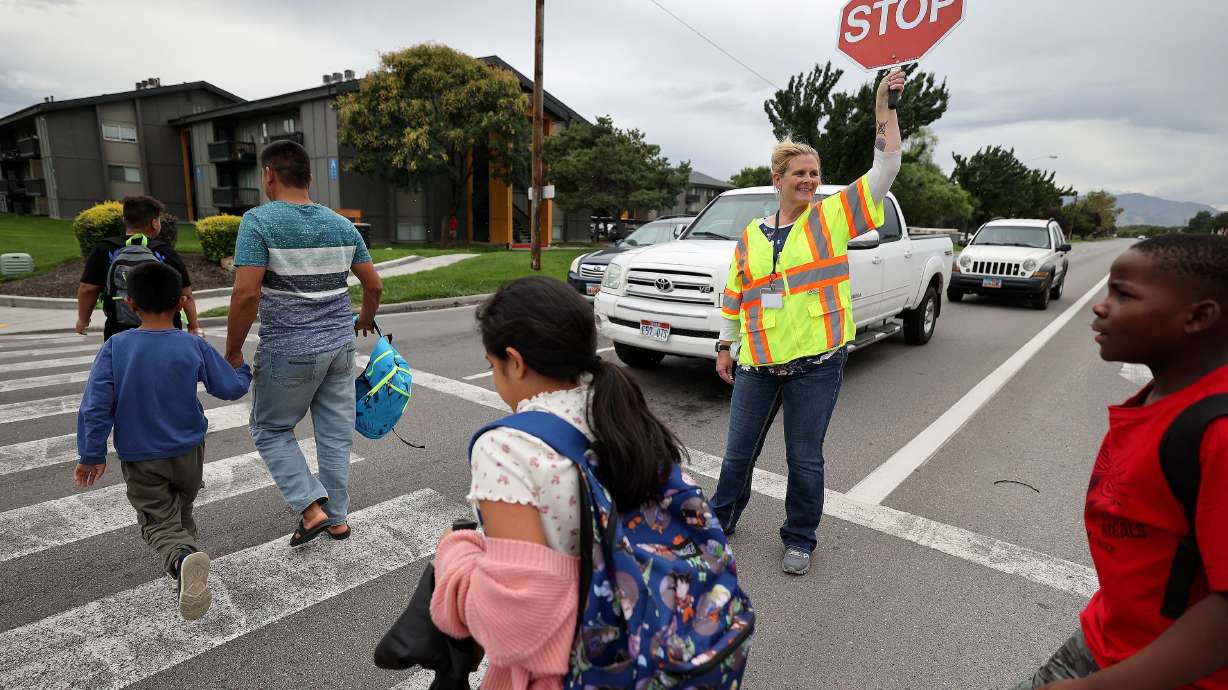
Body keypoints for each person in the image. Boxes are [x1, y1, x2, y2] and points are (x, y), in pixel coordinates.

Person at [429, 276, 687, 689]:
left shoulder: (508, 447)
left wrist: (454, 554)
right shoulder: (619, 414)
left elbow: (515, 628)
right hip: (645, 643)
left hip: (570, 669)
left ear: (515, 361)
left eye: (492, 367)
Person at [710, 69, 905, 576]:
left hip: (816, 363)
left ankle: (799, 537)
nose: (810, 181)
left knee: (805, 460)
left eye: (815, 174)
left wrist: (884, 109)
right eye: (800, 174)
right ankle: (719, 523)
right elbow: (735, 295)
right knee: (736, 458)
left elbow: (886, 167)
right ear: (778, 180)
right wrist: (724, 346)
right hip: (756, 363)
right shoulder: (751, 235)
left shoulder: (833, 216)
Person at [1013, 234, 1228, 689]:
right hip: (1106, 637)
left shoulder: (1218, 432)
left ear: (1198, 317)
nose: (1100, 306)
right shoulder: (1162, 392)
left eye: (1123, 294)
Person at [225, 140, 383, 547]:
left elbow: (246, 295)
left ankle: (312, 509)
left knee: (270, 429)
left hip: (288, 351)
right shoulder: (342, 225)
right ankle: (338, 518)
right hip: (339, 349)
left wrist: (233, 350)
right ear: (310, 178)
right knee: (334, 435)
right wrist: (364, 320)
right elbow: (373, 284)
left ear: (269, 175)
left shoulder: (258, 222)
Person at [73, 261, 251, 620]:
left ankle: (182, 559)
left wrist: (91, 454)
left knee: (157, 520)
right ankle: (184, 568)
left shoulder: (116, 347)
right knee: (180, 509)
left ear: (130, 304)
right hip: (189, 451)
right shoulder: (192, 345)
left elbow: (95, 406)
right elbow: (229, 387)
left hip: (142, 455)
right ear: (181, 303)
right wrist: (243, 368)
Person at [76, 195, 203, 340]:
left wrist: (83, 320)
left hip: (119, 331)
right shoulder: (165, 252)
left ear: (125, 220)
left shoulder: (104, 249)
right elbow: (186, 295)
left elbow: (88, 289)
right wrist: (193, 326)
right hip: (165, 332)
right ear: (154, 223)